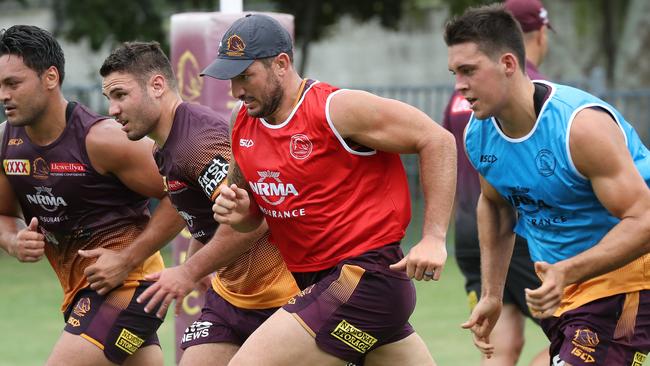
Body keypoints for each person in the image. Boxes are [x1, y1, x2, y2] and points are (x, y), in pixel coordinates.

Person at [174, 13, 457, 366]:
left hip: (365, 277)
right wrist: (239, 211)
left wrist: (433, 237)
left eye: (246, 76)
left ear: (281, 64)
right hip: (318, 282)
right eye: (230, 79)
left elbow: (437, 140)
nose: (236, 91)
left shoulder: (335, 109)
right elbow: (250, 220)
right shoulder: (241, 121)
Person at [445, 4, 650, 365]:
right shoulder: (478, 135)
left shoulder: (580, 129)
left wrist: (568, 270)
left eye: (468, 71)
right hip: (562, 292)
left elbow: (645, 220)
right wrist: (492, 294)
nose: (459, 85)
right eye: (454, 73)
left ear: (508, 64)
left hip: (628, 284)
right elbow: (495, 206)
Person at [99, 41, 300, 366]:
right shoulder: (164, 148)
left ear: (157, 85)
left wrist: (189, 272)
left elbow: (252, 220)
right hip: (231, 298)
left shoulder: (198, 143)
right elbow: (209, 215)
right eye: (109, 98)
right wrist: (200, 263)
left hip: (282, 295)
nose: (112, 110)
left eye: (121, 95)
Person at [0, 25, 186, 365]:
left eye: (13, 83)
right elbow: (3, 215)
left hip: (134, 287)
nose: (3, 95)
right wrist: (13, 240)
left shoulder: (103, 140)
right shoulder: (4, 145)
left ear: (50, 77)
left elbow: (185, 191)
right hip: (82, 292)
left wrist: (127, 258)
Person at [441, 0, 551, 364]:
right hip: (516, 233)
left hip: (469, 233)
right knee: (582, 333)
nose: (462, 81)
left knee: (500, 347)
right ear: (539, 34)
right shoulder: (528, 92)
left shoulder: (461, 100)